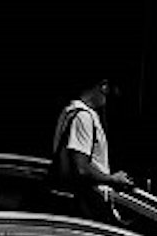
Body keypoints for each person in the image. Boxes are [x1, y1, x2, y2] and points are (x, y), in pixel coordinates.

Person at [49, 75, 129, 219]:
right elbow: (81, 168)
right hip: (87, 203)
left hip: (70, 198)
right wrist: (113, 179)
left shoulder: (68, 111)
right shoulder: (84, 117)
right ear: (103, 86)